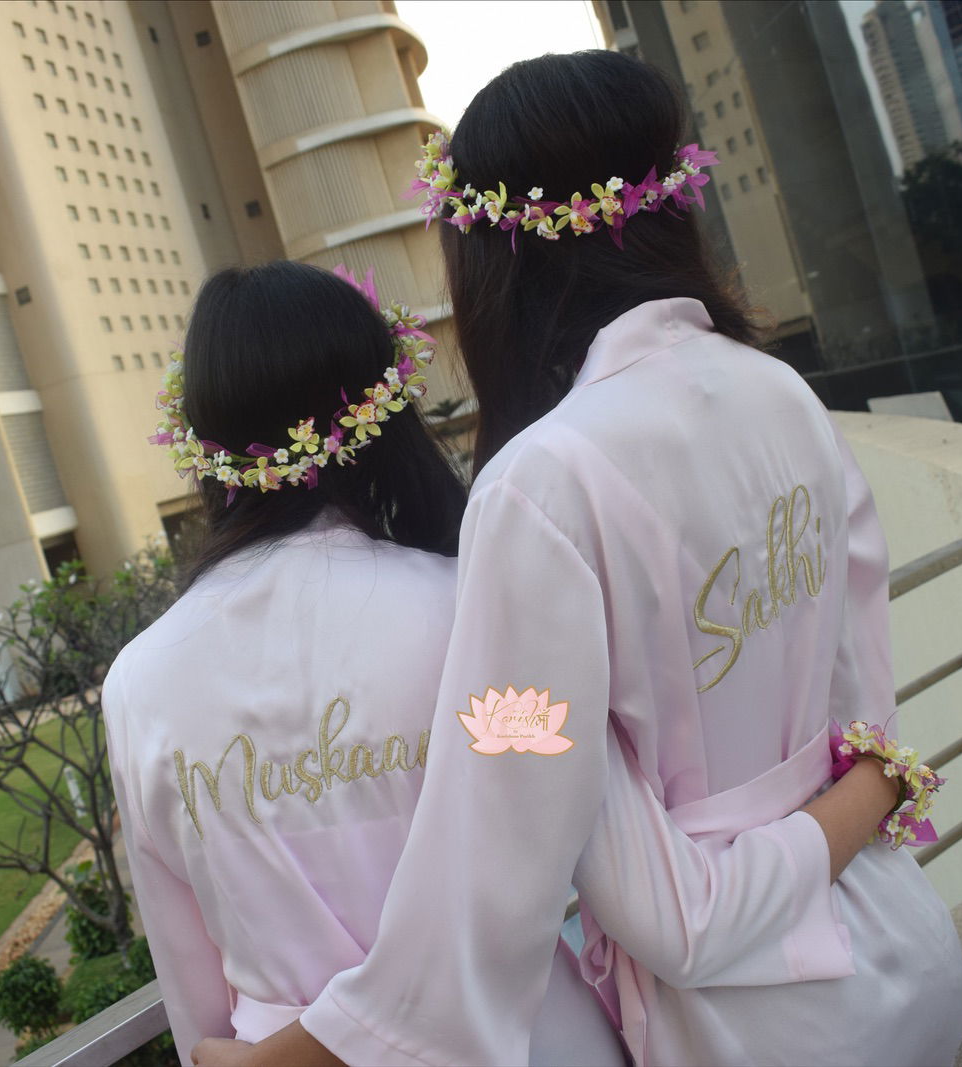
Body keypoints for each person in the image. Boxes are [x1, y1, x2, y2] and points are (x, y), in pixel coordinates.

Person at [194, 51, 962, 1067]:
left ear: (491, 256)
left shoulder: (541, 487)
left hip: (758, 1026)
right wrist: (874, 788)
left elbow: (516, 840)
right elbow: (866, 726)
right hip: (906, 951)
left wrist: (313, 1049)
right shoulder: (779, 390)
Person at [100, 260, 626, 1065]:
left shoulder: (139, 683)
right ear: (379, 411)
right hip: (523, 1036)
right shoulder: (468, 603)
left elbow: (190, 987)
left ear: (205, 442)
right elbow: (550, 850)